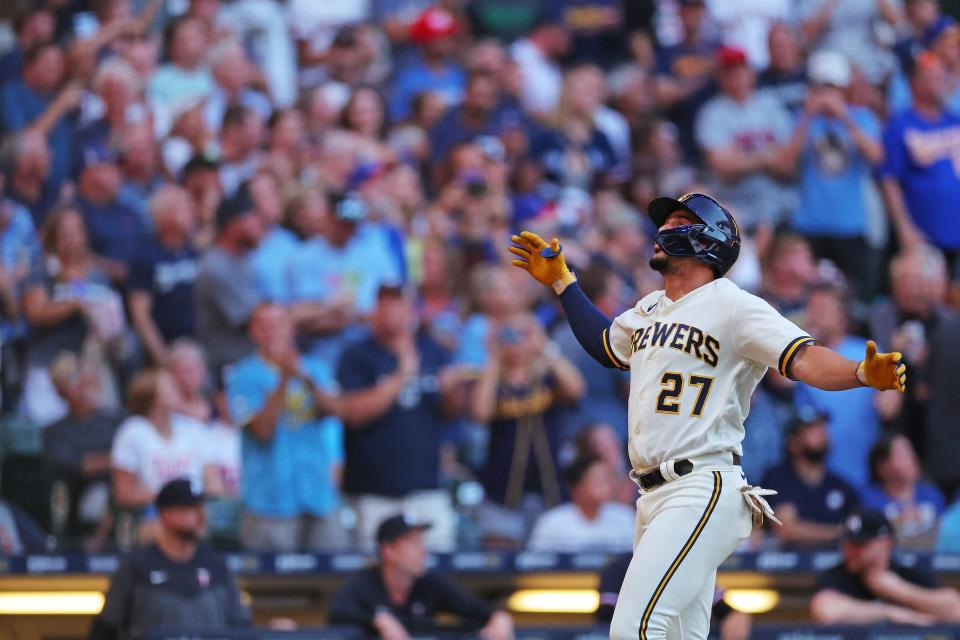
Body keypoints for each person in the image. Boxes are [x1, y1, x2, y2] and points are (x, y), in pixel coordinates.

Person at [508, 191, 906, 639]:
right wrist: (565, 283)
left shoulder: (734, 305)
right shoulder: (648, 309)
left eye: (677, 222)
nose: (662, 229)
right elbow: (605, 345)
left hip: (701, 486)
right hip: (652, 495)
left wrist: (858, 372)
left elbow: (803, 359)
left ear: (708, 239)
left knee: (634, 628)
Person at [336, 284, 465, 550]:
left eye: (398, 303)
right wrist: (402, 375)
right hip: (373, 490)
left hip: (427, 485)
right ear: (374, 310)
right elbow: (352, 413)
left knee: (438, 564)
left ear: (411, 309)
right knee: (375, 567)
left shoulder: (432, 349)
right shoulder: (357, 355)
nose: (391, 311)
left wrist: (452, 391)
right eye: (384, 303)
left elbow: (452, 412)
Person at [225, 304, 346, 551]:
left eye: (279, 324)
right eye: (264, 325)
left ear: (291, 329)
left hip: (319, 496)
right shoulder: (242, 376)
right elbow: (262, 431)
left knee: (331, 581)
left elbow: (337, 411)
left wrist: (303, 377)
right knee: (273, 586)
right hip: (268, 504)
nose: (272, 331)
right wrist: (283, 380)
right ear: (253, 333)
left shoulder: (317, 370)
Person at [471, 312, 586, 546]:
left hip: (550, 490)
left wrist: (544, 346)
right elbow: (480, 413)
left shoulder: (546, 376)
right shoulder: (493, 379)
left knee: (549, 569)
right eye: (510, 334)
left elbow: (577, 389)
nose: (516, 341)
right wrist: (494, 357)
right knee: (499, 568)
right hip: (502, 494)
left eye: (523, 334)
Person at [89, 478, 251, 640]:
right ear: (165, 513)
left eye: (202, 507)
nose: (201, 516)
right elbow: (104, 629)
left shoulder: (217, 565)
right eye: (191, 509)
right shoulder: (136, 566)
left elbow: (242, 629)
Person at [327, 514, 514, 640]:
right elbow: (337, 615)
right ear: (388, 550)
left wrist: (498, 617)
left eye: (422, 542)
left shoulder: (430, 582)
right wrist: (378, 619)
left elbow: (475, 608)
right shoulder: (363, 582)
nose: (423, 550)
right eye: (413, 543)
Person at [695, 46, 796, 229]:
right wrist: (766, 156)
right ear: (720, 77)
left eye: (740, 71)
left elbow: (788, 162)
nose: (736, 78)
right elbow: (723, 167)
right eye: (729, 73)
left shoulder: (771, 105)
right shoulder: (712, 113)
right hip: (737, 213)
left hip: (781, 208)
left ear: (751, 72)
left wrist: (741, 158)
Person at [810, 508, 960, 624]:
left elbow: (955, 609)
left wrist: (899, 590)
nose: (849, 551)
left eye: (859, 544)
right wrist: (891, 613)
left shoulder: (906, 573)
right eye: (846, 543)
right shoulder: (837, 575)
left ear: (886, 544)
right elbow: (825, 610)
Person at [879, 52, 960, 264]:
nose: (939, 81)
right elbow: (889, 180)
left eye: (942, 75)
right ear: (915, 83)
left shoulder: (955, 121)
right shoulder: (899, 126)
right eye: (932, 76)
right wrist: (904, 228)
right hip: (924, 235)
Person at [43, 351, 117, 546]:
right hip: (80, 498)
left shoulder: (115, 421)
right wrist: (119, 460)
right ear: (63, 389)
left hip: (121, 491)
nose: (88, 386)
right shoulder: (55, 431)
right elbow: (75, 467)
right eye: (80, 381)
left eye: (91, 380)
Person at [760, 406, 860, 548]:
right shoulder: (778, 478)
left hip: (837, 565)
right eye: (812, 429)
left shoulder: (841, 486)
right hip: (783, 566)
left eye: (822, 427)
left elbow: (857, 528)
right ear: (792, 442)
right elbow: (786, 529)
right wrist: (838, 532)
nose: (822, 433)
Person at [193, 186, 263, 385]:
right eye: (253, 218)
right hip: (228, 368)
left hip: (250, 361)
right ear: (234, 225)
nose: (260, 225)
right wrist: (311, 313)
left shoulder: (243, 257)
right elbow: (254, 321)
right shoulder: (215, 267)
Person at [597, 554, 752, 640]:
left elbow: (722, 608)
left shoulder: (685, 562)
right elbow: (606, 616)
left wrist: (736, 615)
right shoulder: (622, 565)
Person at [128, 185, 199, 366]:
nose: (192, 212)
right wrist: (163, 359)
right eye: (184, 208)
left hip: (198, 350)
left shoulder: (193, 250)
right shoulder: (144, 256)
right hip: (166, 352)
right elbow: (141, 317)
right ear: (166, 216)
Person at [527, 454, 634, 552]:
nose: (607, 485)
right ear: (576, 487)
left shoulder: (625, 516)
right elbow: (535, 565)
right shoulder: (552, 522)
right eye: (598, 479)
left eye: (608, 478)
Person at [861, 433, 945, 549]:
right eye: (903, 455)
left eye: (911, 452)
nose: (913, 459)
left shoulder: (932, 495)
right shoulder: (868, 500)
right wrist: (898, 522)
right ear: (882, 467)